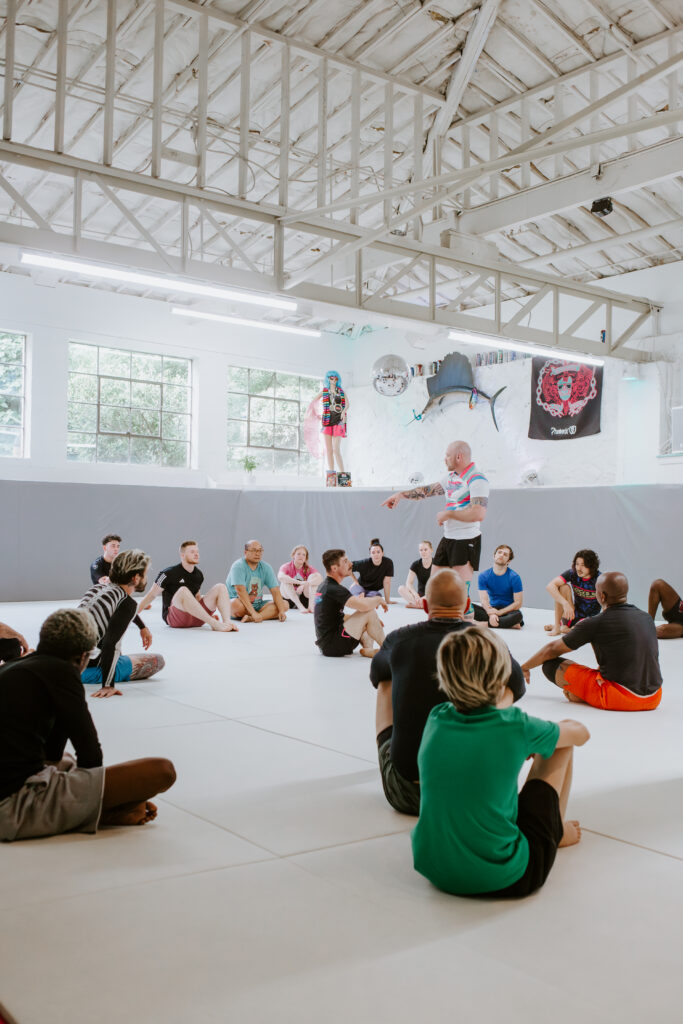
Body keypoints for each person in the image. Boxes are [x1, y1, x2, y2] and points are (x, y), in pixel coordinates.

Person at [411, 627, 589, 898]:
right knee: (559, 741)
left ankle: (551, 831)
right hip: (505, 877)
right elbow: (580, 734)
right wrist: (538, 737)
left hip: (434, 868)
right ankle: (555, 833)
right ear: (502, 676)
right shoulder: (515, 725)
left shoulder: (437, 717)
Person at [0, 608, 176, 841]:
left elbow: (51, 756)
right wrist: (108, 798)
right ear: (83, 657)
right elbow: (90, 755)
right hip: (12, 808)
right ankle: (100, 813)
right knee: (161, 771)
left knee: (65, 760)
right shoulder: (62, 672)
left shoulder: (13, 668)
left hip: (15, 785)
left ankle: (87, 812)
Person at [372, 570, 525, 816]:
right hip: (473, 793)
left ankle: (407, 765)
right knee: (503, 683)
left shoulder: (399, 639)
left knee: (385, 680)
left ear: (424, 605)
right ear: (466, 605)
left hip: (407, 794)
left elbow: (376, 676)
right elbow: (516, 686)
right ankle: (482, 751)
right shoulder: (487, 640)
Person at [523, 572, 663, 711]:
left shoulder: (596, 622)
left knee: (550, 665)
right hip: (654, 697)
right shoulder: (646, 618)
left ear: (602, 596)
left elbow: (551, 649)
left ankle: (582, 696)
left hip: (620, 697)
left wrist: (523, 668)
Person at [381, 440, 488, 587]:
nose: (445, 459)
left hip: (466, 540)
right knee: (434, 588)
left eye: (447, 456)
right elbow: (427, 491)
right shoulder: (451, 477)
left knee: (462, 597)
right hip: (448, 538)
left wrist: (449, 515)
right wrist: (400, 495)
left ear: (458, 457)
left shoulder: (477, 479)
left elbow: (478, 514)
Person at [79, 550, 165, 698]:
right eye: (145, 575)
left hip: (66, 658)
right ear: (136, 578)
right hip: (83, 668)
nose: (146, 579)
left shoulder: (98, 588)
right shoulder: (127, 603)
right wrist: (108, 686)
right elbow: (110, 644)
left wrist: (142, 626)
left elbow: (119, 609)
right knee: (157, 661)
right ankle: (98, 675)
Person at [138, 541, 237, 632]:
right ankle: (214, 623)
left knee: (220, 587)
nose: (196, 554)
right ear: (182, 555)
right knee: (183, 590)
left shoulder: (198, 574)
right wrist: (133, 614)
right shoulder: (167, 573)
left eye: (197, 551)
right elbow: (151, 594)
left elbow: (197, 598)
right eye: (192, 552)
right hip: (175, 619)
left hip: (196, 618)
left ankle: (227, 623)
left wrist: (207, 614)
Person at [314, 549, 386, 657]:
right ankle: (388, 648)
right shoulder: (335, 589)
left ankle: (368, 649)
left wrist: (367, 621)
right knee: (369, 612)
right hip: (334, 645)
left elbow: (332, 618)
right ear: (334, 568)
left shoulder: (324, 586)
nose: (351, 564)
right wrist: (379, 599)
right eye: (345, 561)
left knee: (367, 618)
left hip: (327, 645)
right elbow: (364, 606)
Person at [227, 541, 288, 622]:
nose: (257, 553)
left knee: (284, 605)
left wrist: (281, 611)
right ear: (245, 552)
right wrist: (253, 612)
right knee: (234, 604)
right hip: (240, 604)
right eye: (254, 550)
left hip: (258, 605)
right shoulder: (238, 566)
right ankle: (262, 615)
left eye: (260, 550)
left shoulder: (266, 567)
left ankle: (252, 618)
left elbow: (275, 591)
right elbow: (240, 591)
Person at [545, 549, 600, 635]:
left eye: (583, 565)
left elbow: (608, 602)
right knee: (563, 587)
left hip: (589, 618)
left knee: (582, 630)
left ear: (591, 566)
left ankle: (565, 628)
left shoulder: (599, 579)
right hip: (573, 614)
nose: (579, 568)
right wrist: (565, 604)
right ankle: (557, 627)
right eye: (577, 564)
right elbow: (550, 586)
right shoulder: (572, 573)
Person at [473, 544, 524, 629]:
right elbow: (484, 600)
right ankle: (508, 624)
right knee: (466, 606)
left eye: (505, 554)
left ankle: (484, 624)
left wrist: (499, 613)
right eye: (499, 552)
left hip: (508, 611)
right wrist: (491, 613)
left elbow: (518, 603)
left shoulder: (514, 577)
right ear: (494, 556)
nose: (501, 555)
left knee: (518, 615)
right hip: (491, 609)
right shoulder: (483, 576)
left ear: (509, 561)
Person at [311, 370, 349, 473]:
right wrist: (317, 414)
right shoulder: (324, 391)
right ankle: (331, 475)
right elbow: (313, 401)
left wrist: (343, 412)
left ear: (338, 379)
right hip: (327, 420)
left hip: (339, 420)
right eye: (331, 378)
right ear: (328, 379)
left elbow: (347, 404)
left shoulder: (341, 391)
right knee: (329, 450)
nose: (333, 380)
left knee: (336, 450)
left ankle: (343, 475)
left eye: (335, 378)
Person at [277, 546, 323, 613]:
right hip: (288, 599)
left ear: (305, 558)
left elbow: (320, 578)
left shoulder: (308, 568)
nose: (301, 556)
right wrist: (300, 582)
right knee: (286, 580)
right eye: (298, 554)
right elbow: (280, 577)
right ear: (293, 555)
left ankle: (311, 606)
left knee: (314, 577)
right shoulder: (286, 566)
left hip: (303, 598)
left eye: (303, 555)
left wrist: (306, 584)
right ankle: (300, 606)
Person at [350, 539, 394, 604]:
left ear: (382, 553)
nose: (376, 554)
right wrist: (356, 582)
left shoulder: (388, 563)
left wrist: (387, 600)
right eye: (373, 552)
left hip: (371, 591)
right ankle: (358, 595)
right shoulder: (364, 563)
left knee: (378, 596)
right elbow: (348, 567)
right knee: (361, 593)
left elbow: (387, 582)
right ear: (370, 554)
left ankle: (363, 597)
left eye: (378, 552)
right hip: (360, 587)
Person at [398, 541, 433, 609]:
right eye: (421, 550)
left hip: (431, 595)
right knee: (401, 588)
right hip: (419, 596)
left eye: (425, 549)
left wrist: (426, 597)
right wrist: (415, 594)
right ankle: (421, 604)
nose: (423, 552)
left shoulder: (436, 564)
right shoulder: (416, 564)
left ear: (431, 550)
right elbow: (409, 583)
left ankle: (417, 605)